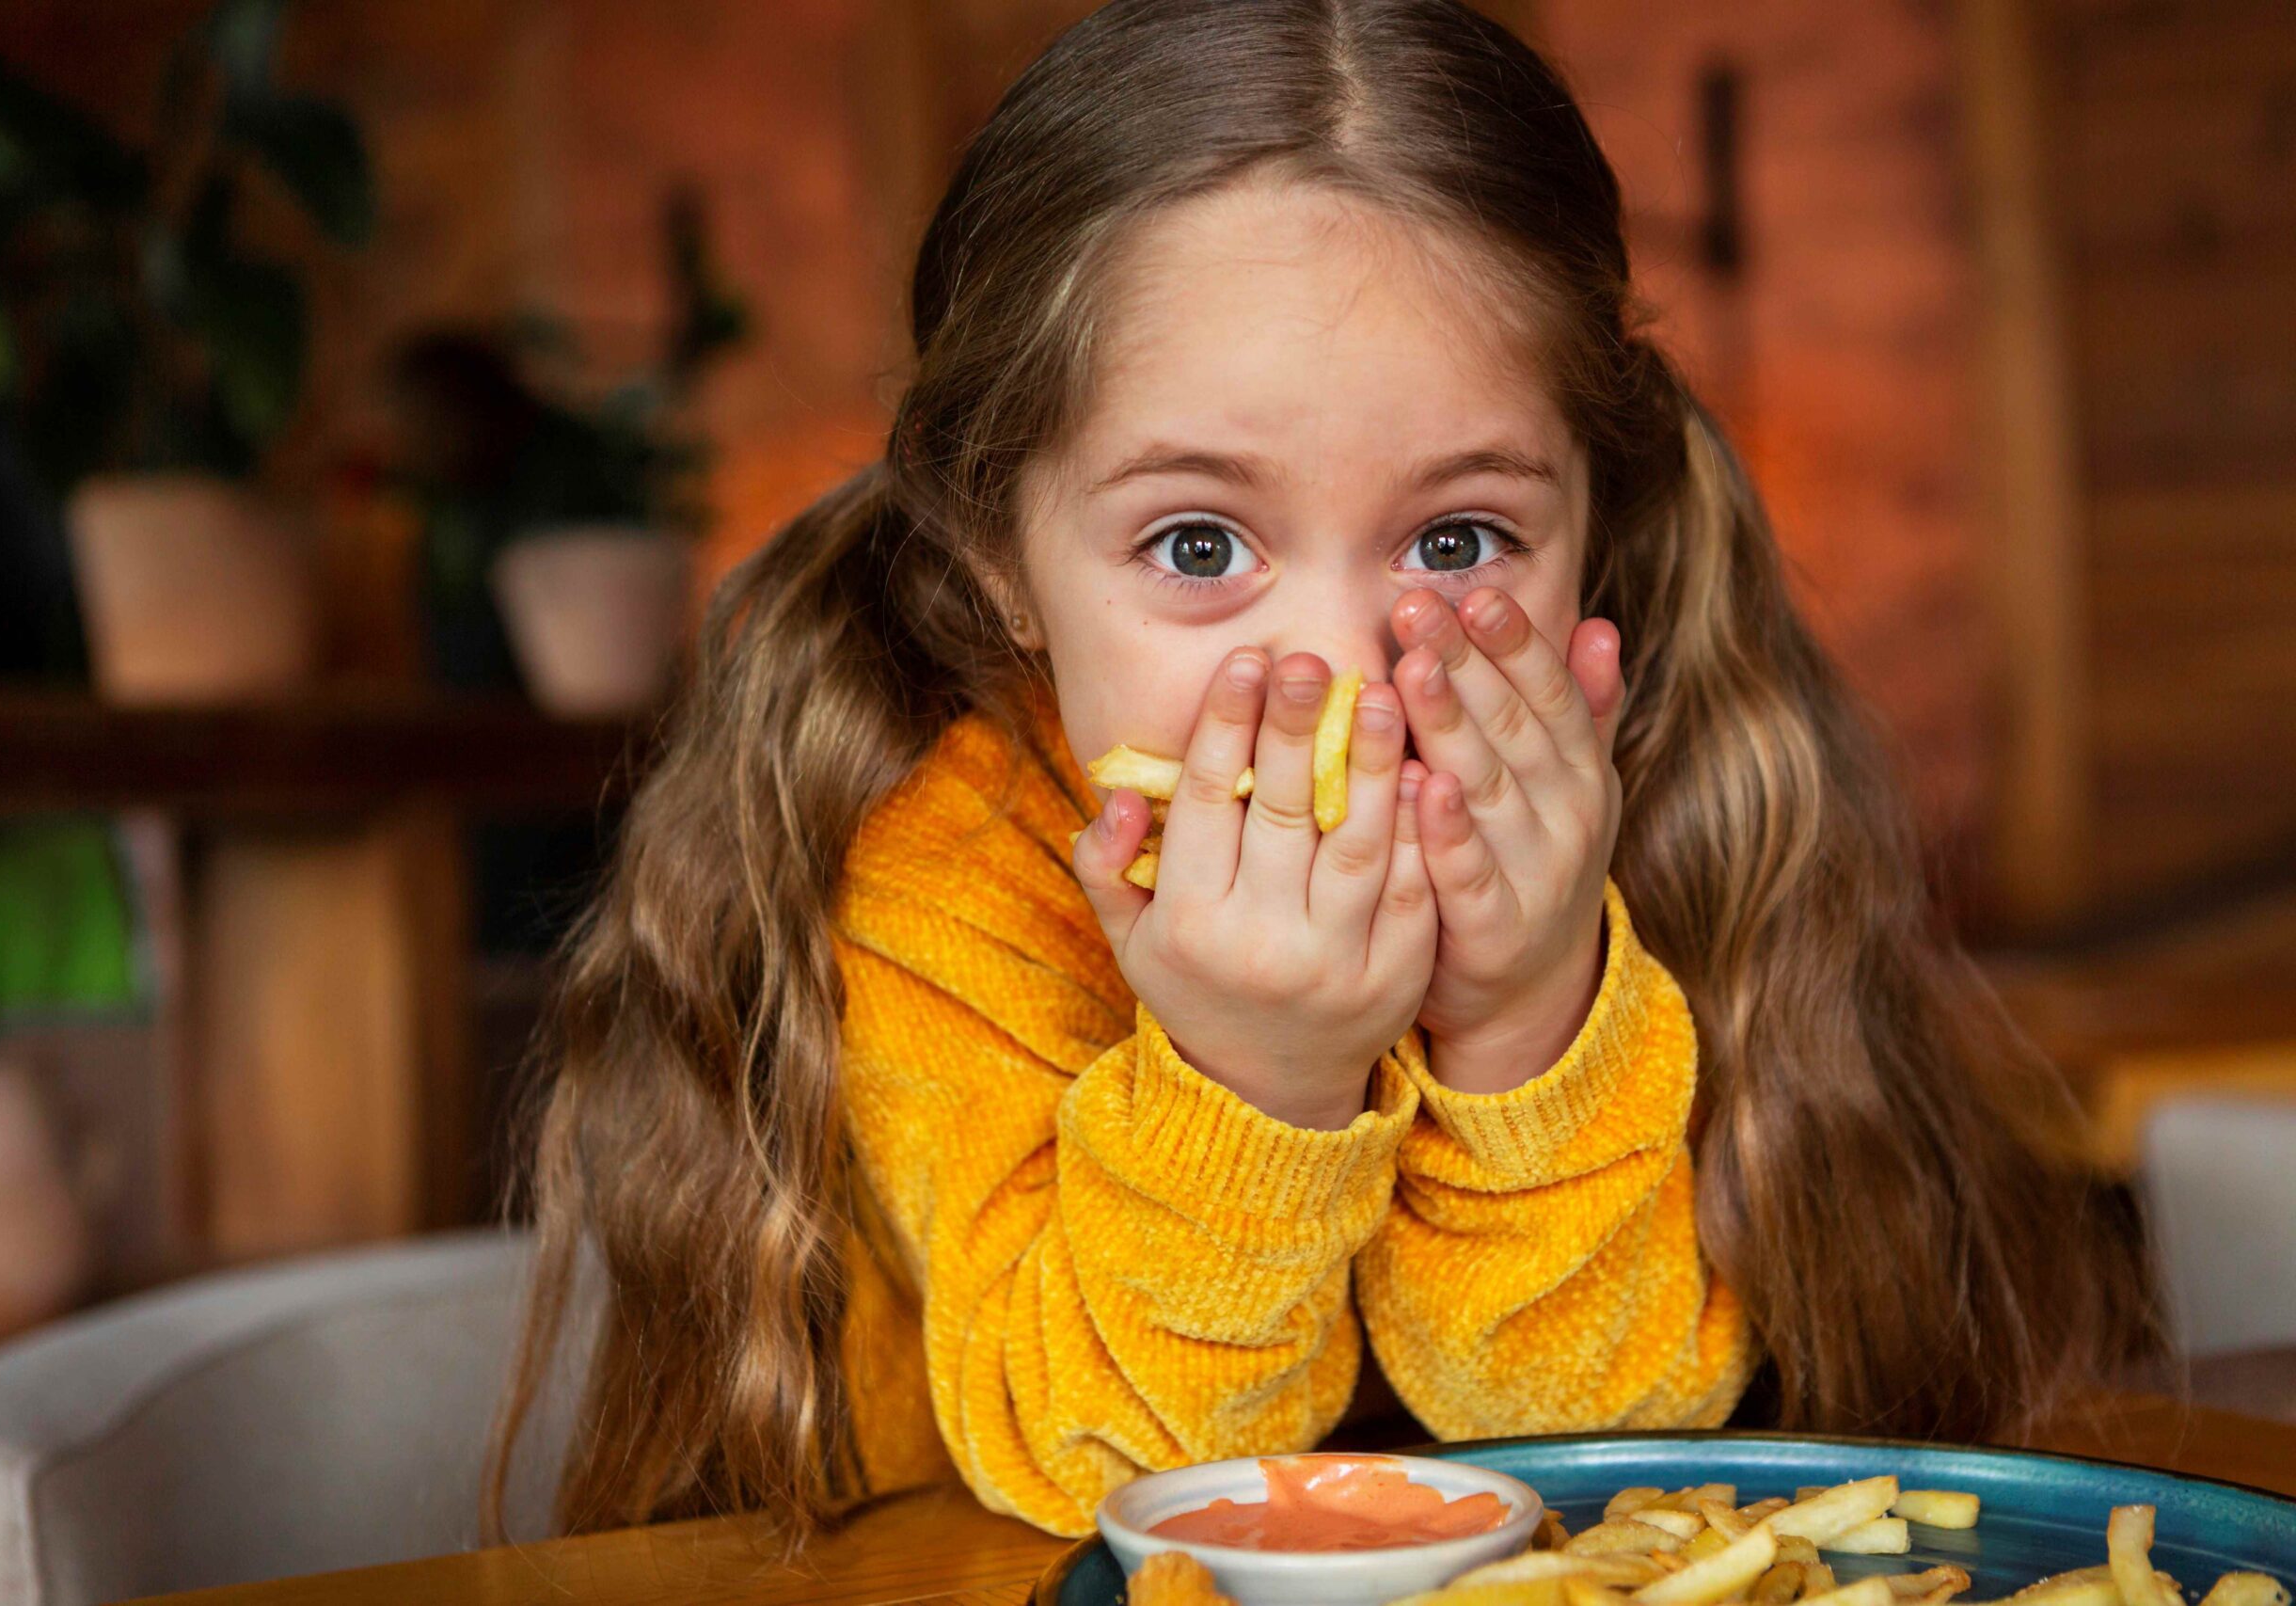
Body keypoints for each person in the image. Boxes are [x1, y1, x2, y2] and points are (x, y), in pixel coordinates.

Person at [485, 0, 2146, 1545]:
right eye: (1200, 541)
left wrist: (1526, 1028)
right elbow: (1122, 1487)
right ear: (1002, 558)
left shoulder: (1625, 813)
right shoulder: (948, 879)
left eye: (1458, 536)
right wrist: (1255, 1087)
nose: (1346, 669)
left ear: (1592, 534)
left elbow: (1622, 1448)